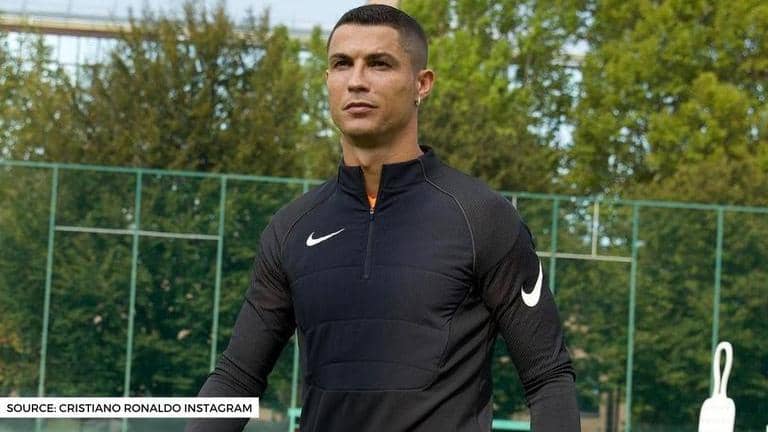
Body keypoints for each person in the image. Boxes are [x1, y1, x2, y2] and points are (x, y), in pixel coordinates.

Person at [186, 4, 580, 432]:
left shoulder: (483, 218)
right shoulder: (291, 229)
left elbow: (548, 377)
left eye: (379, 64)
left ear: (421, 84)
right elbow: (238, 378)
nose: (356, 80)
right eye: (342, 64)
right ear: (328, 80)